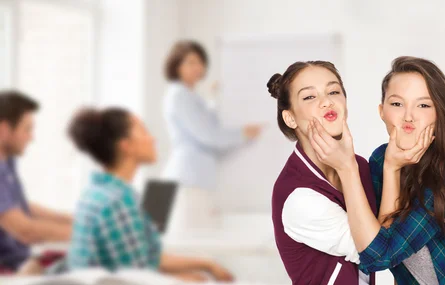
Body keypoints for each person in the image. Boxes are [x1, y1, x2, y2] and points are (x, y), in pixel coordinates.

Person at [308, 56, 445, 284]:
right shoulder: (381, 160)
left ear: (439, 112)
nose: (408, 116)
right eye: (397, 104)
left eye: (423, 105)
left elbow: (379, 255)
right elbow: (379, 242)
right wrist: (391, 168)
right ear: (382, 111)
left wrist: (348, 167)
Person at [66, 107, 234, 282]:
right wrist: (188, 280)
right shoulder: (118, 202)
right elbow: (137, 279)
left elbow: (149, 259)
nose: (152, 139)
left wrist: (206, 264)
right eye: (144, 131)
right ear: (126, 146)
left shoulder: (97, 192)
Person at [269, 61, 376, 284]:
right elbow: (375, 251)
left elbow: (391, 223)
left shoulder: (359, 166)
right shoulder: (297, 196)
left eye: (334, 91)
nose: (327, 101)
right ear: (290, 118)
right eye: (310, 97)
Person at [162, 40, 263, 190]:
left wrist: (214, 97)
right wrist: (242, 133)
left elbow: (208, 124)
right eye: (191, 62)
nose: (198, 67)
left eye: (200, 62)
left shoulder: (190, 96)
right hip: (185, 179)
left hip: (193, 179)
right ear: (177, 66)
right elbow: (208, 134)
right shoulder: (179, 95)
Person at [0, 90, 72, 274]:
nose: (31, 137)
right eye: (27, 129)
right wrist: (86, 234)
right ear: (4, 129)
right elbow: (24, 230)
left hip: (20, 262)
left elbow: (20, 207)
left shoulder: (7, 162)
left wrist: (74, 219)